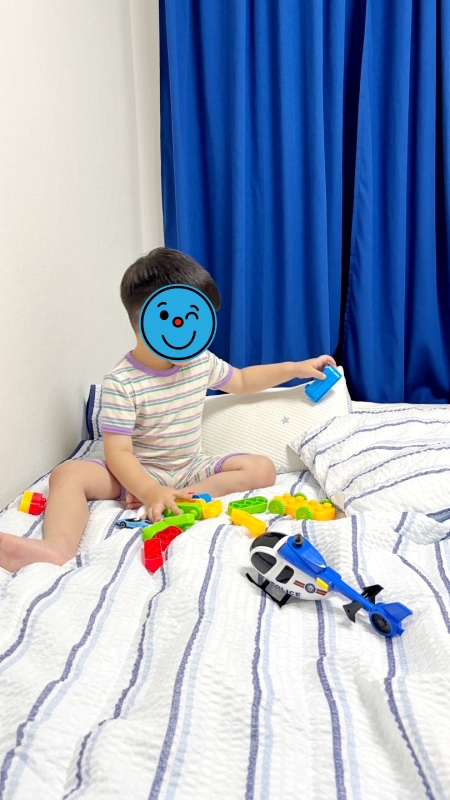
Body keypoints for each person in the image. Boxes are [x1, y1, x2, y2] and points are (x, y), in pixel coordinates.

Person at [0, 248, 336, 573]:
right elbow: (118, 454)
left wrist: (296, 368)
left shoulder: (200, 362)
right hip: (138, 472)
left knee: (262, 468)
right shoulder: (122, 382)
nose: (192, 332)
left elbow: (244, 380)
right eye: (182, 320)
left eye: (198, 320)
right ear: (147, 320)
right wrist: (148, 490)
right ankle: (57, 547)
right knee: (67, 474)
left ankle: (187, 498)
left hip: (191, 468)